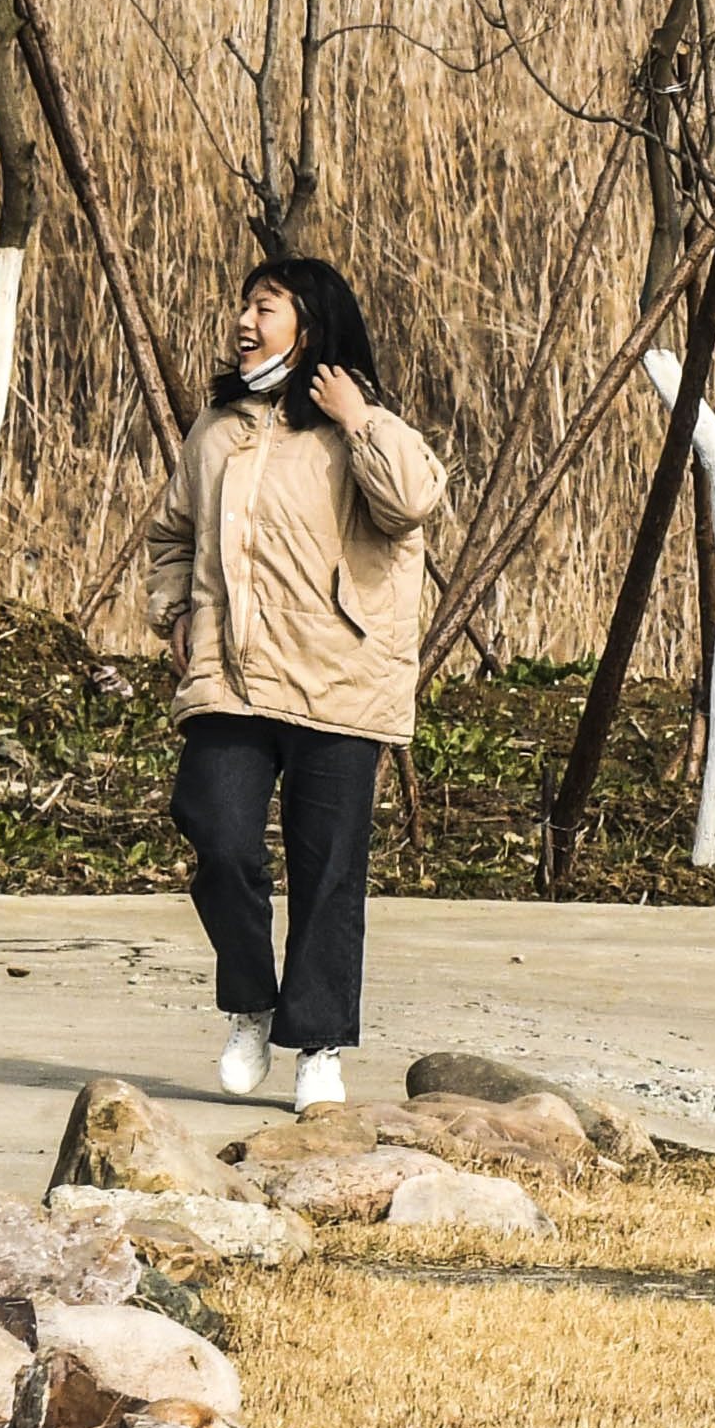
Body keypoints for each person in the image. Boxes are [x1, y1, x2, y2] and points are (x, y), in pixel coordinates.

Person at [143, 253, 448, 1107]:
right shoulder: (218, 429)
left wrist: (358, 418)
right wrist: (176, 614)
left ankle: (317, 1044)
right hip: (231, 676)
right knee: (217, 833)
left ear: (309, 325)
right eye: (242, 306)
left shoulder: (359, 428)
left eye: (264, 307)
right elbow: (170, 534)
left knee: (327, 869)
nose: (243, 321)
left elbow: (411, 504)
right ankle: (250, 1002)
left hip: (339, 681)